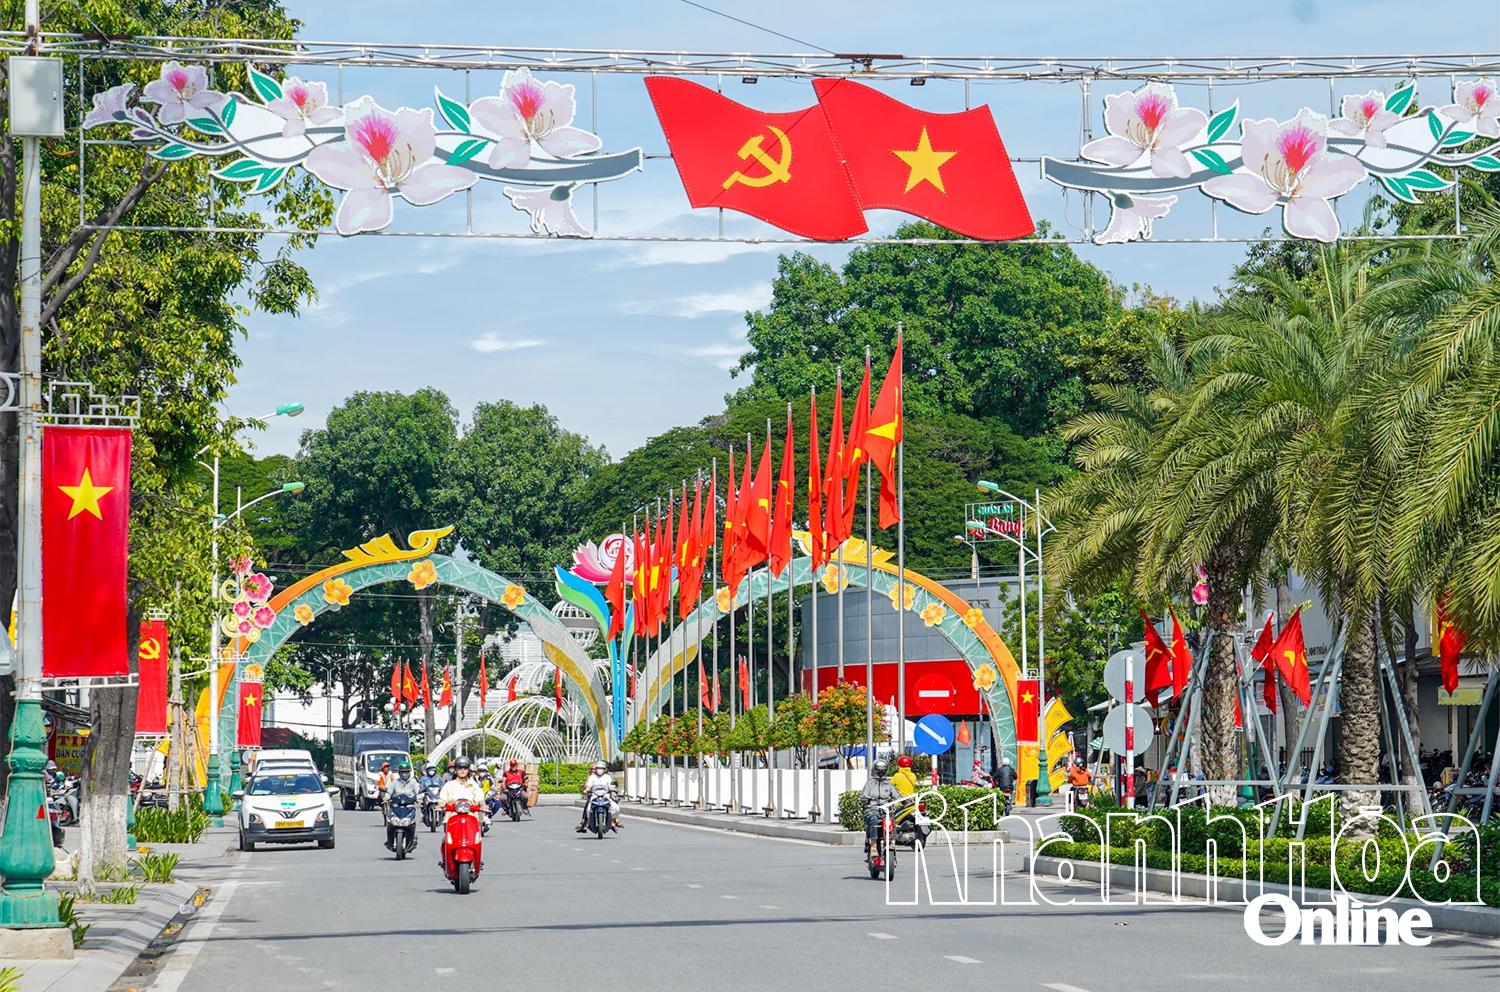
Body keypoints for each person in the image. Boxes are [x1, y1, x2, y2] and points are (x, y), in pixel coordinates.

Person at [859, 758, 899, 854]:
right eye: (879, 770)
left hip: (886, 810)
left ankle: (891, 841)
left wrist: (905, 801)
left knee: (892, 820)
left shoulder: (889, 784)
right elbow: (863, 796)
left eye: (883, 770)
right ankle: (873, 845)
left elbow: (897, 796)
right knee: (873, 819)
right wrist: (864, 799)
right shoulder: (870, 784)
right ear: (875, 770)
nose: (881, 772)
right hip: (872, 809)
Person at [385, 761, 421, 852]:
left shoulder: (413, 782)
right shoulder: (395, 782)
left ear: (409, 772)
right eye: (402, 772)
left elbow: (418, 792)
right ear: (399, 773)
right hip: (396, 807)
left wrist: (419, 798)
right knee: (390, 823)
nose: (404, 774)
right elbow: (389, 792)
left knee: (411, 824)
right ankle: (390, 842)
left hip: (409, 807)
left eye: (406, 772)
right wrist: (386, 798)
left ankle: (411, 842)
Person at [576, 761, 620, 833]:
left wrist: (613, 789)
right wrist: (586, 790)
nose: (600, 770)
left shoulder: (607, 777)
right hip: (594, 795)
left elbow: (611, 786)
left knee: (616, 808)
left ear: (605, 769)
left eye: (601, 768)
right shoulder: (592, 777)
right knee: (588, 809)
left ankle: (611, 821)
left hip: (606, 795)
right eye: (598, 768)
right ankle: (588, 823)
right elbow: (588, 786)